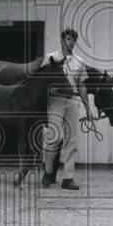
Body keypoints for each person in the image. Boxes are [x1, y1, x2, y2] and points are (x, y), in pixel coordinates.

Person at [40, 28, 96, 191]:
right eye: (68, 39)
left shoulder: (79, 61)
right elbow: (41, 80)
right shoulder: (50, 58)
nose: (71, 42)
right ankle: (48, 174)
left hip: (72, 102)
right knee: (54, 138)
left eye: (73, 40)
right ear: (62, 39)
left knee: (72, 140)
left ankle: (68, 178)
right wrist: (48, 91)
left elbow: (82, 85)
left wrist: (88, 109)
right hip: (55, 101)